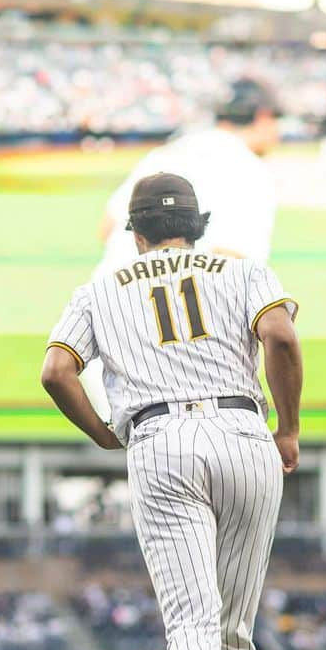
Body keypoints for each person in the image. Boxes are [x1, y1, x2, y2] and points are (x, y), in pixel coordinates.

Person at [41, 172, 303, 650]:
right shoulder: (242, 266)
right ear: (199, 223)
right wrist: (289, 428)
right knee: (236, 639)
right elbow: (278, 334)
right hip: (246, 433)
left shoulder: (103, 287)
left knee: (191, 623)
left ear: (135, 234)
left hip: (161, 440)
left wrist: (101, 432)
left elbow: (56, 370)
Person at [82, 79, 281, 416]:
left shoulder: (168, 152)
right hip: (181, 366)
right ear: (263, 118)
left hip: (103, 349)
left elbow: (106, 228)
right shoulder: (249, 169)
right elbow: (232, 265)